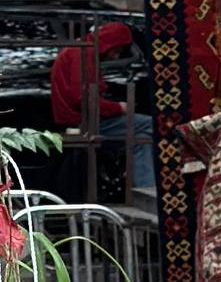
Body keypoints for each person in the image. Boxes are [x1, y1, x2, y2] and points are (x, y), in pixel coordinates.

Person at [49, 22, 156, 206]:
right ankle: (147, 191)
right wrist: (118, 108)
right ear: (110, 44)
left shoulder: (80, 50)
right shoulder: (85, 53)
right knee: (150, 125)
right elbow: (82, 98)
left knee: (141, 139)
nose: (116, 56)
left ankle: (145, 189)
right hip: (82, 121)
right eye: (117, 51)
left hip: (81, 119)